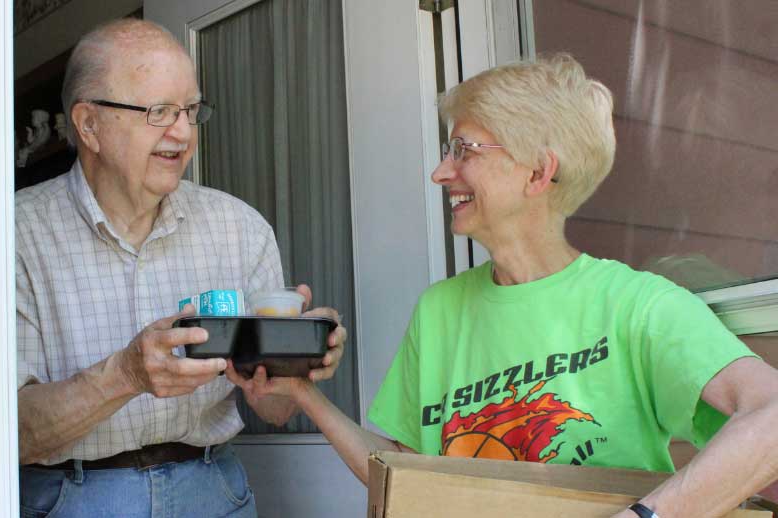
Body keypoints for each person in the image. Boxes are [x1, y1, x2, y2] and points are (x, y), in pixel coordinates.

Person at [245, 54, 778, 518]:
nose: (439, 172)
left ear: (537, 172)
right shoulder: (440, 310)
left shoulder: (636, 305)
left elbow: (771, 415)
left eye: (464, 149)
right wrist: (304, 394)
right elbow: (406, 475)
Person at [15, 19, 346, 518]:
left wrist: (297, 364)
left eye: (191, 111)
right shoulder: (14, 234)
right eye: (158, 111)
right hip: (72, 498)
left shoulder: (240, 227)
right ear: (88, 125)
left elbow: (274, 408)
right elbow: (10, 433)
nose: (183, 132)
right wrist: (126, 374)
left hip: (213, 492)